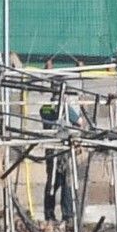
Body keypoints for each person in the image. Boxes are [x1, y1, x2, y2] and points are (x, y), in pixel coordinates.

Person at [40, 87, 83, 222]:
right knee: (65, 183)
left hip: (52, 151)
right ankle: (67, 214)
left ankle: (49, 213)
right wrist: (66, 106)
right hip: (63, 151)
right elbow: (79, 122)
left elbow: (44, 113)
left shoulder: (45, 108)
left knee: (52, 183)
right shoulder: (59, 108)